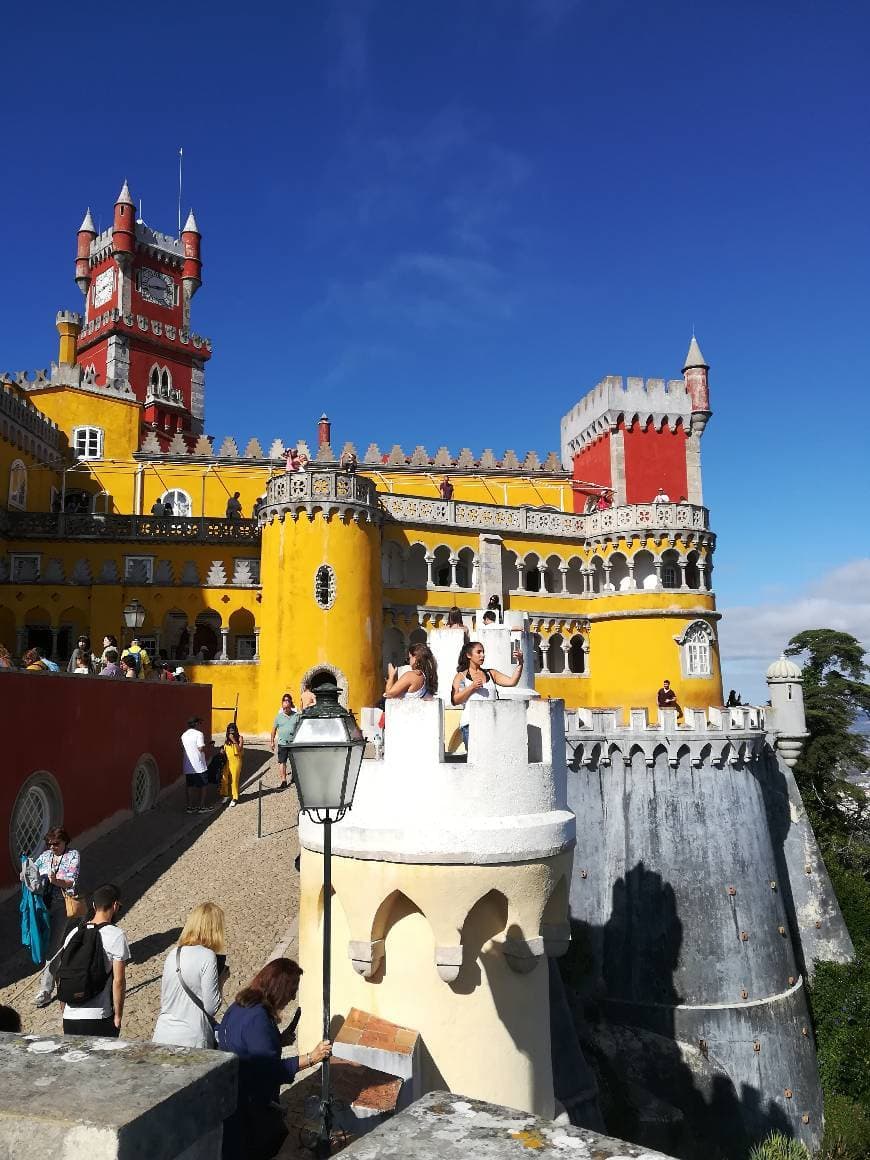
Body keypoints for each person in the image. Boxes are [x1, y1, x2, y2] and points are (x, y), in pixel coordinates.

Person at [218, 958, 331, 1160]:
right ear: (279, 989)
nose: (293, 996)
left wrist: (278, 1040)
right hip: (250, 1108)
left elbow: (247, 1046)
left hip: (233, 1100)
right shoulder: (258, 1019)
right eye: (291, 990)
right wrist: (312, 1058)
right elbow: (271, 1071)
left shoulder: (239, 1006)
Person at [153, 902, 227, 1049]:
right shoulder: (207, 956)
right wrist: (222, 980)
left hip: (163, 1033)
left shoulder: (174, 953)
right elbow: (211, 1007)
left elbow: (165, 999)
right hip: (191, 1037)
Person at [60, 883, 129, 1038]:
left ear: (93, 905)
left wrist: (63, 1009)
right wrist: (118, 1015)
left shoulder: (73, 934)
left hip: (70, 1018)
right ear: (115, 905)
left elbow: (62, 973)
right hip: (98, 1016)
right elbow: (118, 981)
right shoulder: (116, 935)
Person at [32, 827, 81, 1008]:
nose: (52, 847)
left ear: (65, 842)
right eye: (50, 844)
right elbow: (34, 872)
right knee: (47, 944)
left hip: (61, 905)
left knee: (53, 947)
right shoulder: (45, 856)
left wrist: (55, 881)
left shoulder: (73, 855)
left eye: (56, 844)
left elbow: (71, 881)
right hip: (43, 905)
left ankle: (45, 990)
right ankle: (64, 971)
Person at [451, 641, 524, 752]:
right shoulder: (460, 676)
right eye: (479, 652)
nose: (482, 655)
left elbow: (512, 681)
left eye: (483, 652)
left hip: (492, 724)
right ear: (469, 655)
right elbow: (455, 700)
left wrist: (520, 663)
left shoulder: (491, 673)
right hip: (471, 725)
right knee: (475, 758)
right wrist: (471, 687)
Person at [182, 716, 213, 813]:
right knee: (203, 785)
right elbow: (200, 748)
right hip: (199, 764)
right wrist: (208, 745)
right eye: (199, 723)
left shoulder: (184, 735)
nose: (201, 725)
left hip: (187, 764)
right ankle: (201, 806)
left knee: (190, 786)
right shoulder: (199, 734)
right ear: (196, 724)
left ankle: (190, 807)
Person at [270, 694, 298, 791]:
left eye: (287, 703)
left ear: (291, 704)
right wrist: (272, 741)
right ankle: (283, 780)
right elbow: (273, 729)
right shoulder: (278, 717)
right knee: (282, 762)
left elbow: (301, 728)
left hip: (294, 743)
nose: (285, 708)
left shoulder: (296, 715)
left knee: (295, 762)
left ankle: (295, 777)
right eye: (284, 705)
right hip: (282, 743)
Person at [223, 722, 245, 806]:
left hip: (236, 761)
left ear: (235, 730)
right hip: (227, 761)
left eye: (232, 731)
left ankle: (235, 797)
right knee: (224, 778)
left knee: (234, 780)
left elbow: (239, 749)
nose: (231, 733)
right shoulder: (226, 739)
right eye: (229, 731)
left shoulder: (240, 738)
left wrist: (233, 740)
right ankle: (225, 795)